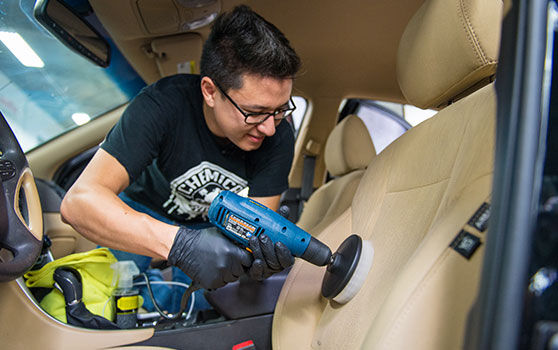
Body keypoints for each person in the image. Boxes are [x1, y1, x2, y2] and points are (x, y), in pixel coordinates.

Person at [60, 5, 301, 314]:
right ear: (210, 92)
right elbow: (78, 202)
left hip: (212, 222)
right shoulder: (162, 106)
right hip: (144, 205)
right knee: (120, 296)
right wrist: (178, 244)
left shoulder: (279, 135)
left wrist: (258, 258)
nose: (269, 127)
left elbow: (257, 225)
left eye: (280, 110)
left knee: (201, 306)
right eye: (254, 113)